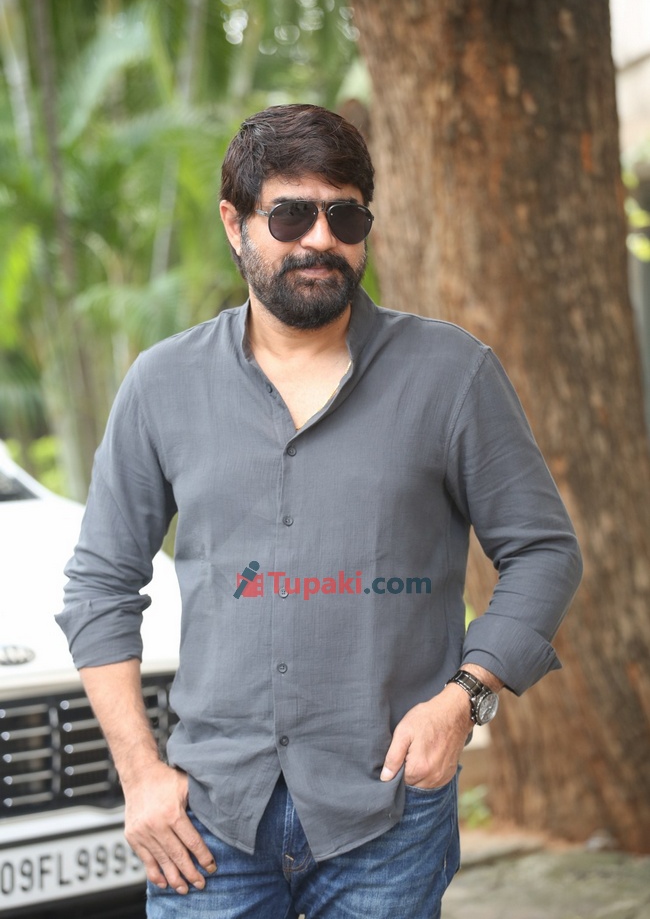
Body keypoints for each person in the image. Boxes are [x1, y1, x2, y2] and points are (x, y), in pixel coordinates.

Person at [56, 103, 582, 919]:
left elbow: (544, 550)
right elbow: (99, 585)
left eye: (345, 216)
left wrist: (465, 696)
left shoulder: (451, 373)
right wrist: (140, 774)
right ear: (234, 224)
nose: (320, 238)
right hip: (208, 819)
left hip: (389, 810)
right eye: (291, 215)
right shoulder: (162, 385)